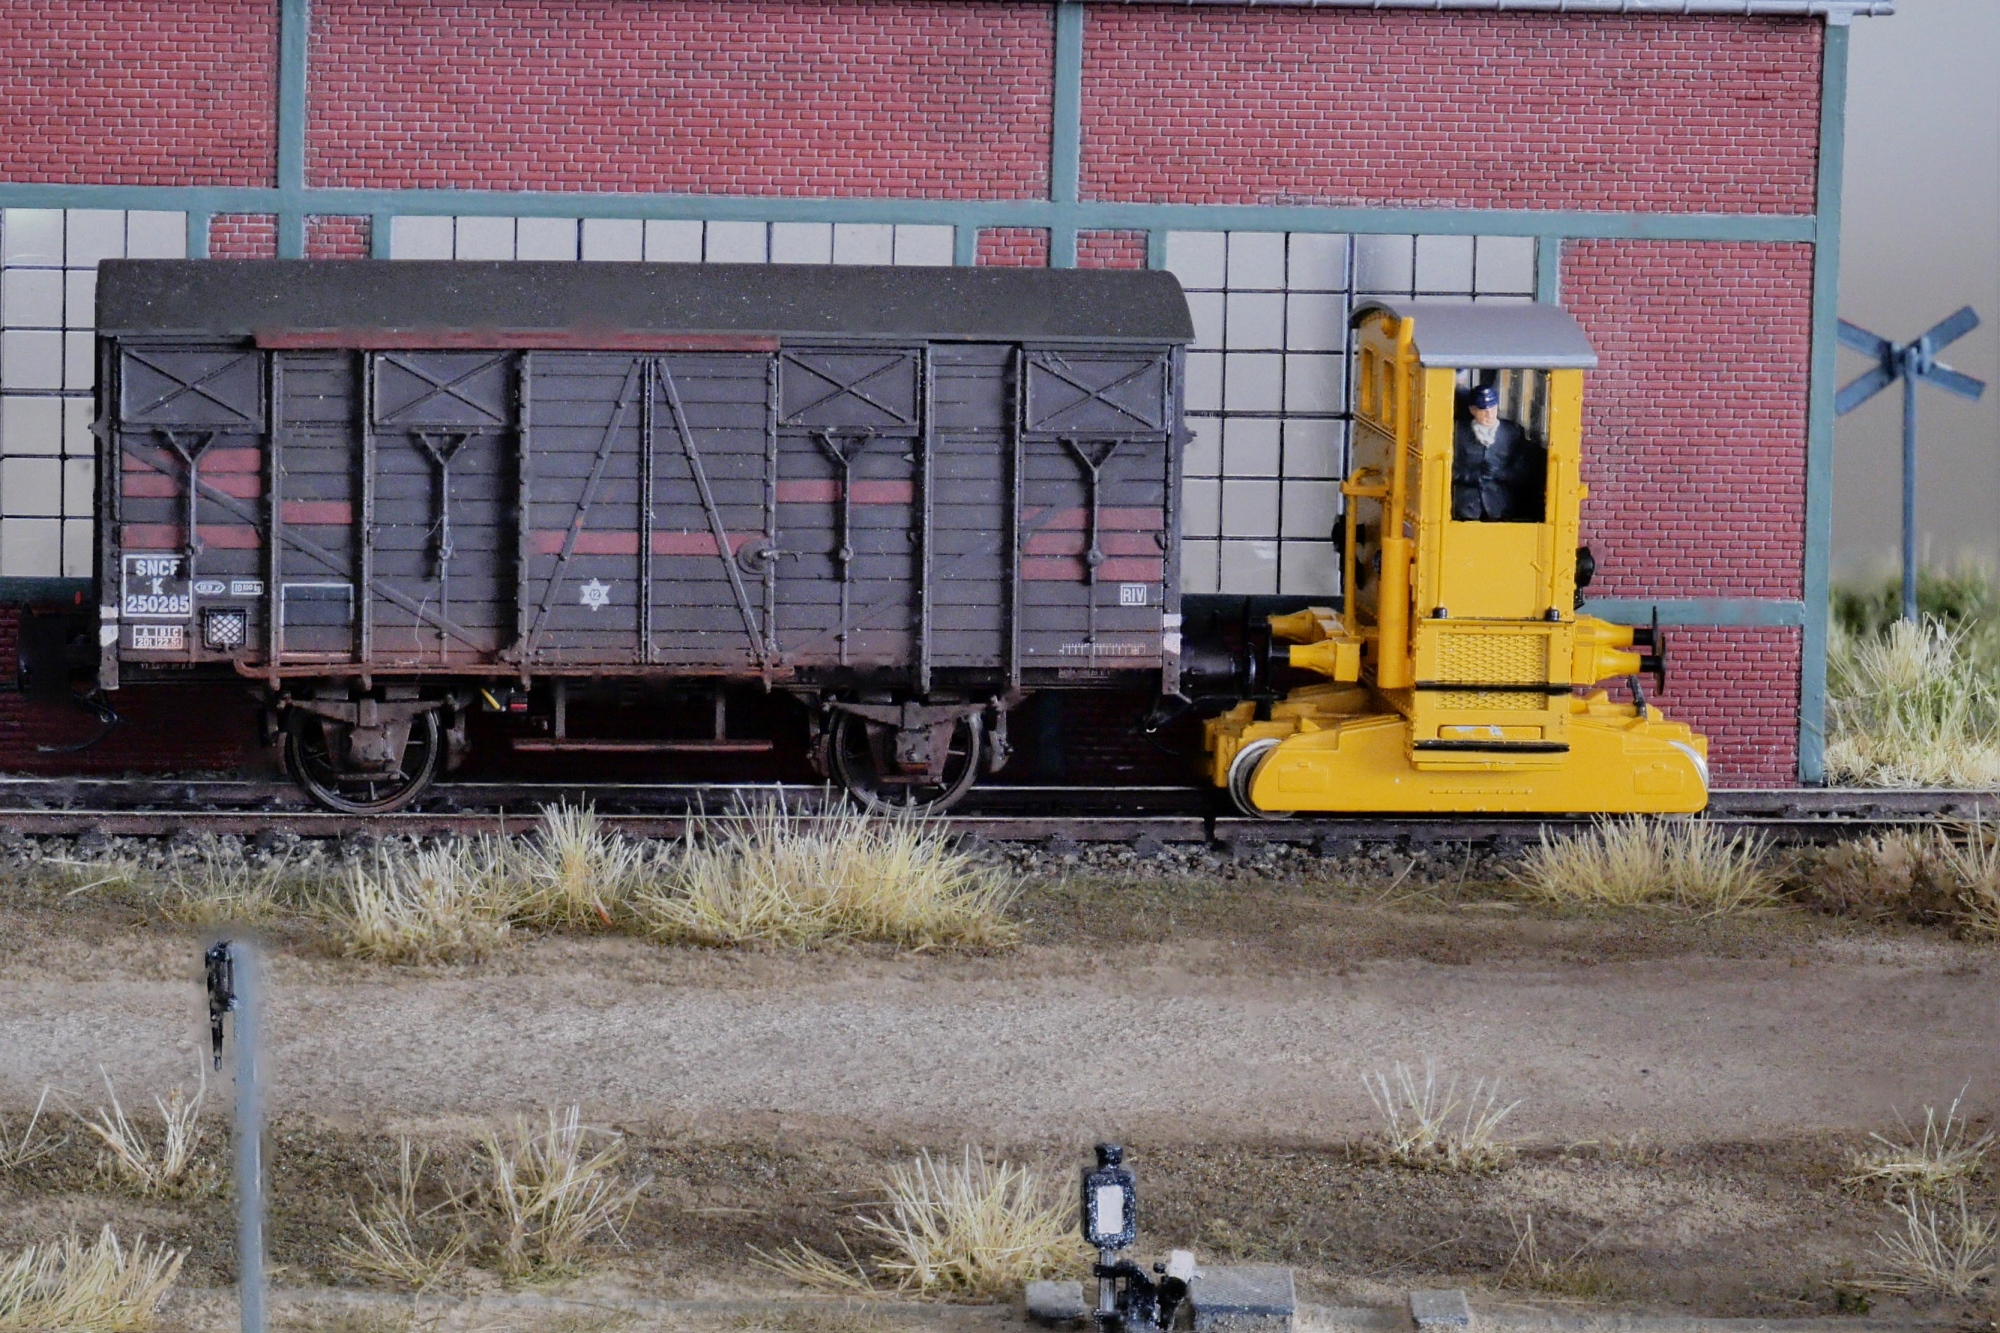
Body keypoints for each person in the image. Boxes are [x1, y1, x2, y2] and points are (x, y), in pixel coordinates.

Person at [1451, 382, 1543, 522]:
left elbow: (1523, 471)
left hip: (1501, 506)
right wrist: (1471, 476)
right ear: (1472, 410)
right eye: (1483, 410)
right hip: (1466, 506)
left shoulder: (1511, 432)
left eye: (1492, 408)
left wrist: (1501, 474)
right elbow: (1447, 468)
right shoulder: (1458, 433)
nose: (1489, 414)